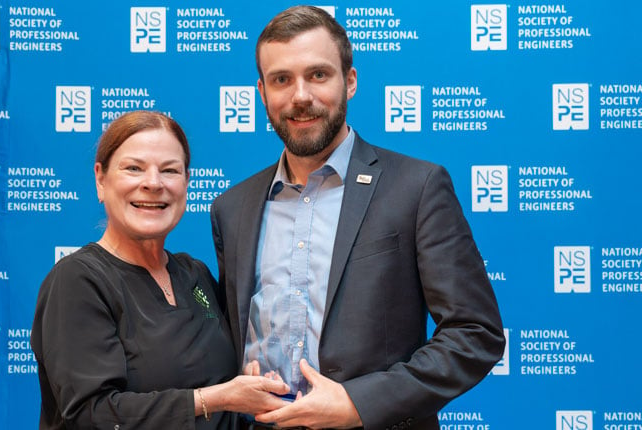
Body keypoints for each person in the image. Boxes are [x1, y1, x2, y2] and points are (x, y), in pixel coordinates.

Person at [210, 6, 506, 429]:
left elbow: (475, 333)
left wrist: (358, 404)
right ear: (262, 93)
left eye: (318, 75)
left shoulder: (417, 187)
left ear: (349, 81)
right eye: (281, 80)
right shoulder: (232, 207)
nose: (300, 96)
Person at [30, 110, 290, 429]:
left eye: (169, 170)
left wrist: (248, 381)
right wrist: (218, 398)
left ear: (186, 183)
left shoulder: (195, 274)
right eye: (134, 168)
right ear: (101, 179)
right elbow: (92, 415)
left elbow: (221, 381)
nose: (153, 183)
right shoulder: (78, 280)